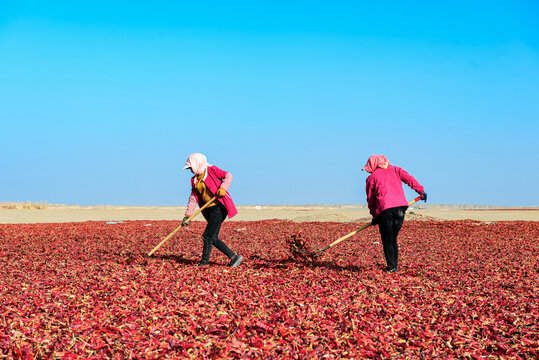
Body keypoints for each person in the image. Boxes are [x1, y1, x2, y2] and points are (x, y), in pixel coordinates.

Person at [363, 155, 427, 273]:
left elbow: (371, 200)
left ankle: (392, 268)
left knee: (388, 240)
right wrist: (421, 191)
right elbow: (410, 179)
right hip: (401, 209)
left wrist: (374, 215)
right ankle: (393, 267)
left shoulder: (371, 178)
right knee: (393, 239)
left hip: (385, 210)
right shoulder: (396, 169)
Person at [182, 153, 243, 267]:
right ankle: (234, 257)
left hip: (218, 208)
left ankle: (204, 263)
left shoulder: (211, 170)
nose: (190, 170)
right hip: (209, 210)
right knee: (212, 237)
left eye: (191, 167)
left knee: (207, 236)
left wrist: (223, 188)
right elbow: (193, 197)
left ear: (197, 164)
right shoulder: (194, 180)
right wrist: (187, 216)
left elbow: (228, 176)